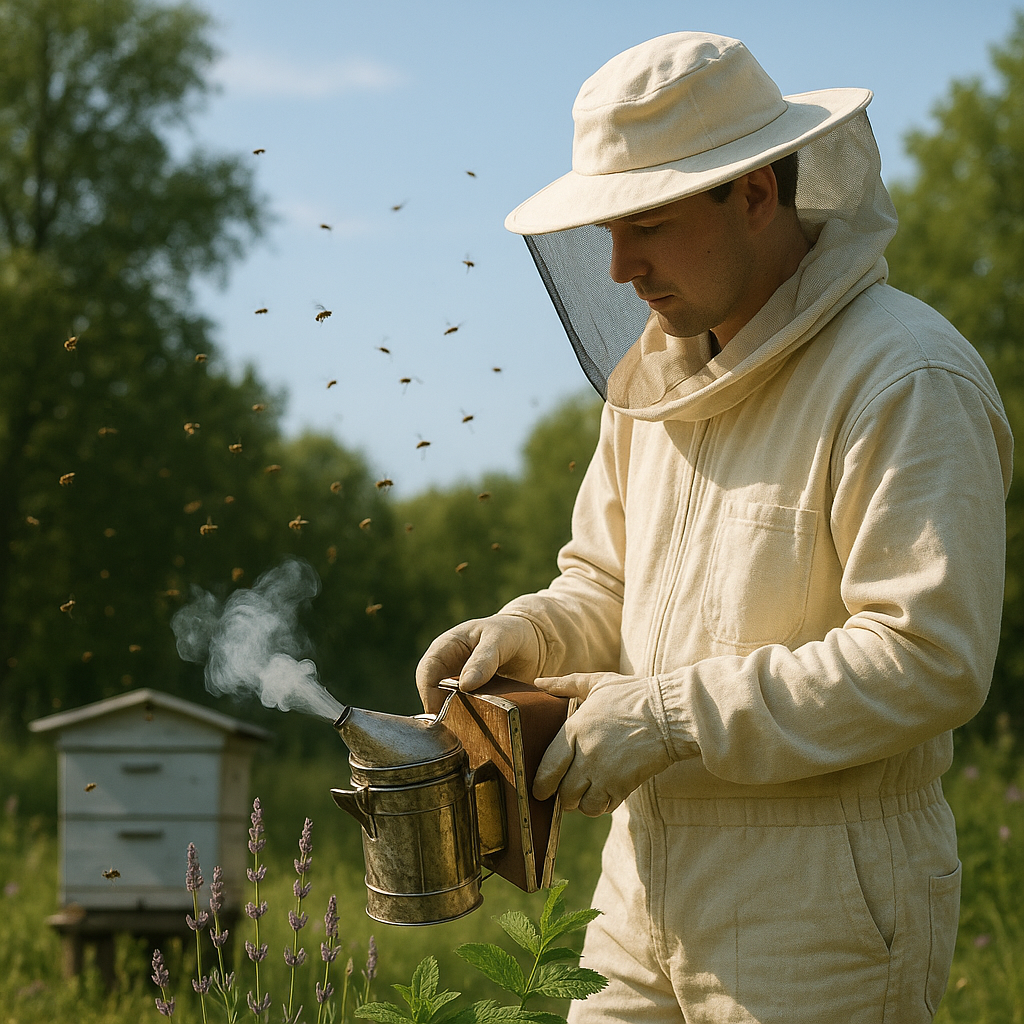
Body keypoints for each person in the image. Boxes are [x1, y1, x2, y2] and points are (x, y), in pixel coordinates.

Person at [416, 31, 1013, 1024]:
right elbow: (605, 582)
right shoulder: (650, 387)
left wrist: (663, 717)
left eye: (646, 219)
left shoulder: (902, 375)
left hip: (823, 892)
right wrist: (525, 632)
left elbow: (927, 658)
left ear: (754, 194)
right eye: (605, 227)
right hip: (637, 884)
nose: (617, 266)